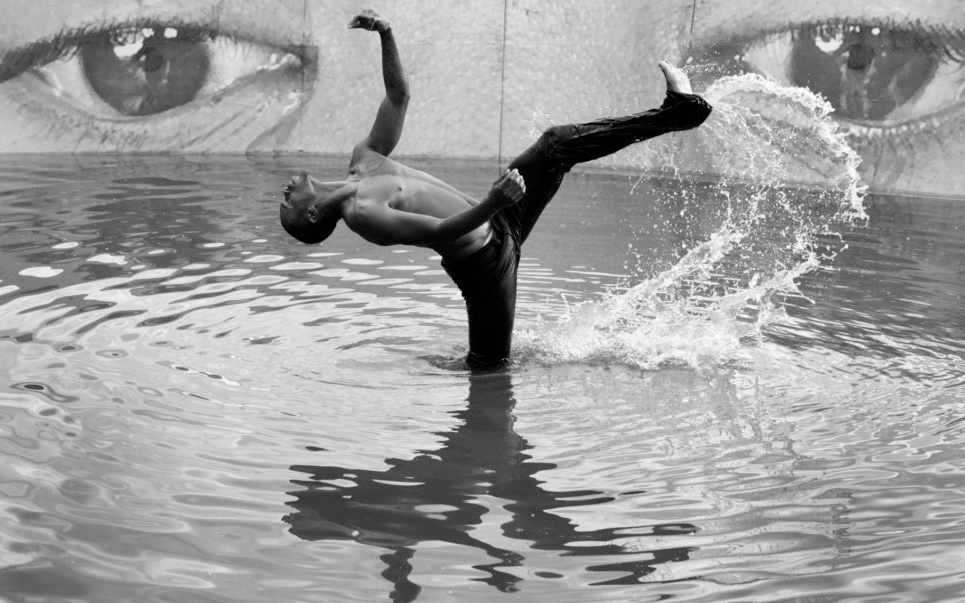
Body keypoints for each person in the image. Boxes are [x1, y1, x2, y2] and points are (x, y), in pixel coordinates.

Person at [279, 9, 712, 370]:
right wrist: (493, 200)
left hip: (501, 217)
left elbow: (398, 97)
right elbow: (439, 232)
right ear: (313, 215)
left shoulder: (364, 158)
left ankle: (678, 112)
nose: (284, 192)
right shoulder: (363, 216)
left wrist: (386, 34)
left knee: (557, 144)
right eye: (287, 205)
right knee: (488, 371)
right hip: (485, 269)